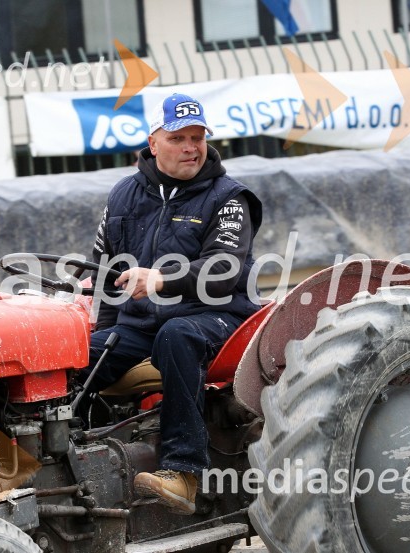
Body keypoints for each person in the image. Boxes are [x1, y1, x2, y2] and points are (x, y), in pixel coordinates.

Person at [79, 93, 262, 514]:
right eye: (179, 137)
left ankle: (183, 473)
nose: (190, 147)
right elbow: (108, 277)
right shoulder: (123, 195)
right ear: (153, 141)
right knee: (77, 359)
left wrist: (161, 278)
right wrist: (100, 332)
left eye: (197, 137)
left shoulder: (229, 198)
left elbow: (224, 271)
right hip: (140, 323)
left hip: (218, 317)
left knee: (176, 335)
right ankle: (68, 463)